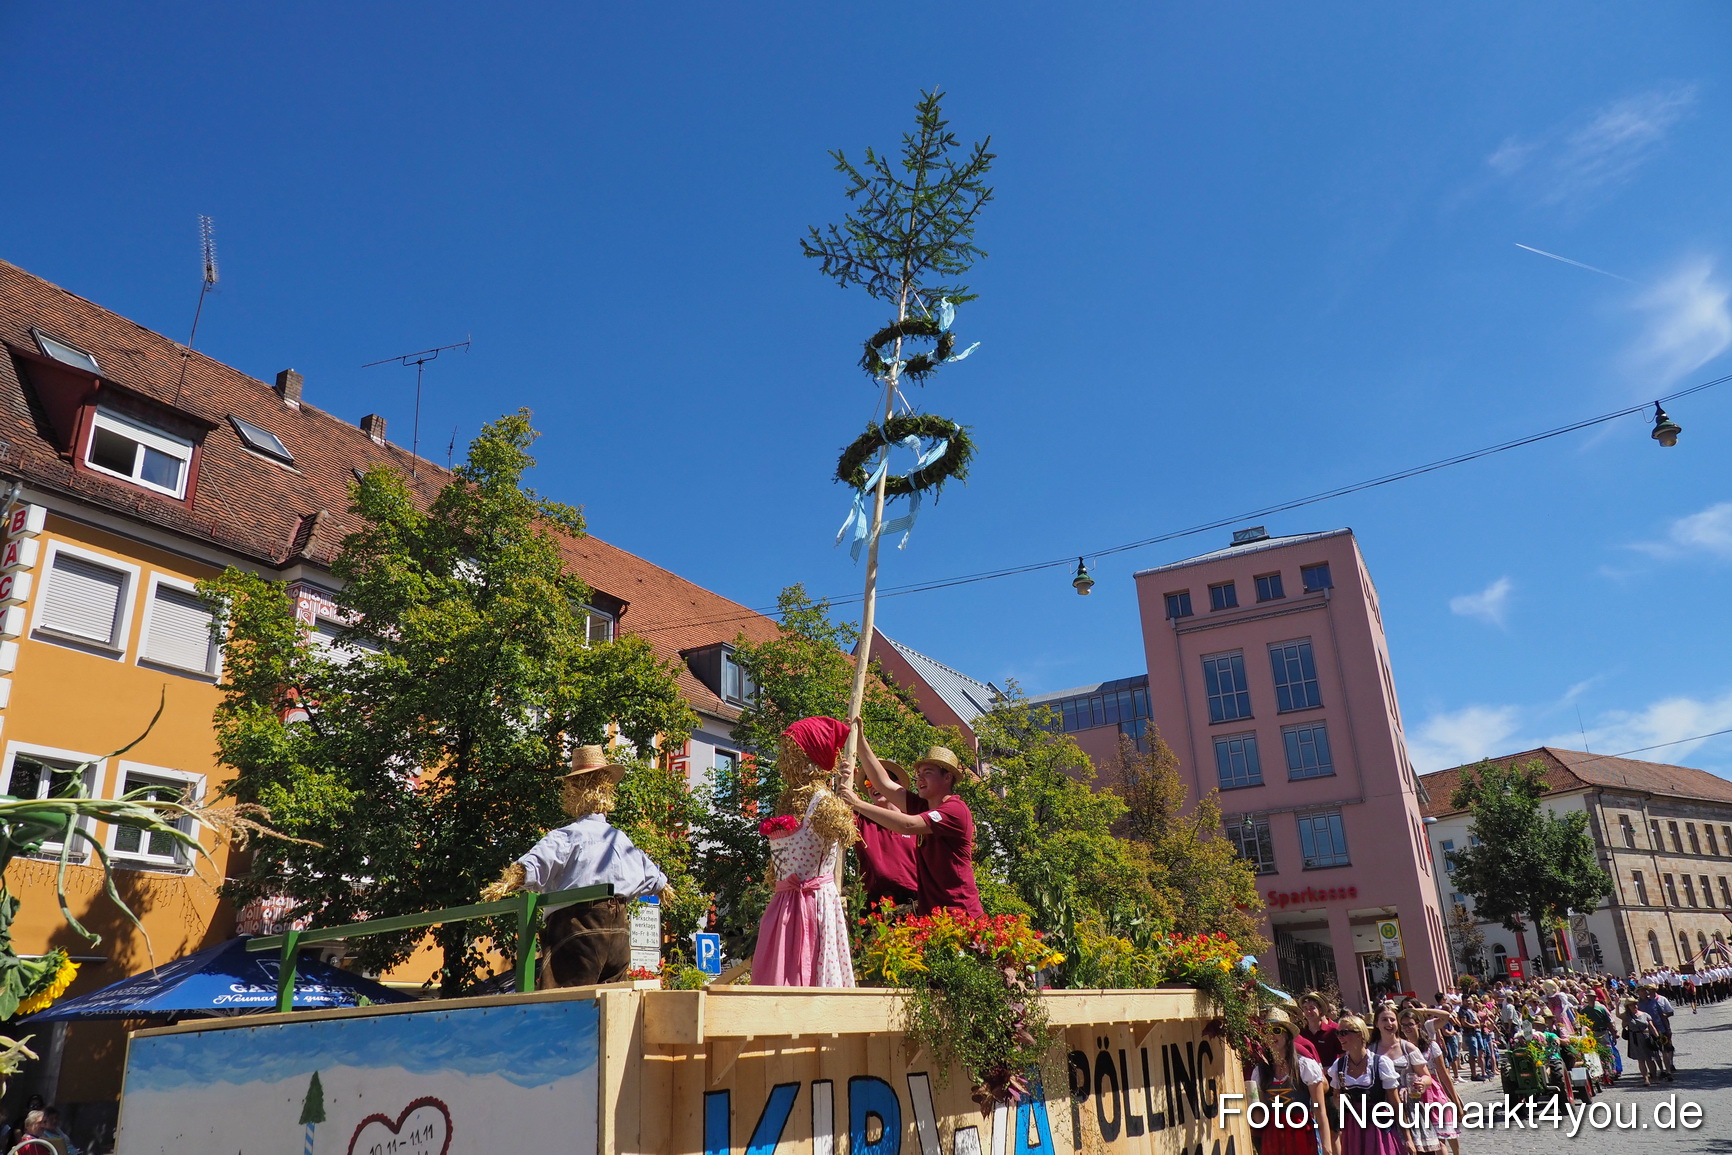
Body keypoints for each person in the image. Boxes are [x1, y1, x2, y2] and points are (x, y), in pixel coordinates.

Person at [482, 744, 668, 987]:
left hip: (578, 926)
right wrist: (665, 889)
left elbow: (534, 865)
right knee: (611, 1005)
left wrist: (508, 880)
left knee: (563, 1003)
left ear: (573, 791)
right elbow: (655, 878)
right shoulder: (621, 839)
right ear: (607, 790)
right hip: (619, 931)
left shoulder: (568, 836)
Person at [750, 717, 860, 987]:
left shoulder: (824, 804)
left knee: (812, 972)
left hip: (813, 903)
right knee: (775, 975)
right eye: (784, 752)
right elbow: (777, 865)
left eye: (792, 752)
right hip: (783, 904)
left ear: (813, 758)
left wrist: (844, 792)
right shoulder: (785, 802)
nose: (783, 760)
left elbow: (847, 833)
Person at [839, 731, 983, 919]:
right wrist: (860, 741)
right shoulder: (923, 806)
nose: (920, 779)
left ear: (947, 777)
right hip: (933, 915)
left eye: (927, 773)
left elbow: (908, 825)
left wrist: (856, 803)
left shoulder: (955, 810)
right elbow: (883, 784)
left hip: (960, 913)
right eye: (919, 775)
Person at [1247, 1008, 1332, 1155]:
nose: (1271, 1036)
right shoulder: (1260, 1071)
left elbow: (1319, 1109)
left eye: (1277, 1031)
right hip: (1272, 1136)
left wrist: (1327, 1146)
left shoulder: (1305, 1066)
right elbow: (1260, 1116)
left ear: (1287, 1035)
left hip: (1301, 1132)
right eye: (1266, 1032)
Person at [1329, 1014, 1404, 1155]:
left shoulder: (1380, 1063)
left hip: (1379, 1125)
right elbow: (1336, 1098)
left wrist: (1407, 1137)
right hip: (1353, 1128)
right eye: (1338, 1033)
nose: (1339, 1037)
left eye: (1344, 1033)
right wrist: (1339, 1102)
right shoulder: (1338, 1066)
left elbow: (1395, 1102)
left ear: (1360, 1035)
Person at [1370, 1002, 1438, 1155]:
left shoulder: (1408, 1048)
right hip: (1383, 1107)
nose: (1389, 1023)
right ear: (1376, 1024)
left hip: (1410, 1107)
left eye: (1392, 1020)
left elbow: (1426, 1076)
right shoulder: (1371, 1050)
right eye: (1385, 1020)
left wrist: (1422, 1083)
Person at [852, 757, 918, 910]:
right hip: (875, 906)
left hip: (914, 904)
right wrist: (845, 780)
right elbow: (841, 810)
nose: (872, 785)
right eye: (868, 782)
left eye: (879, 779)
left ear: (897, 785)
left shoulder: (916, 820)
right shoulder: (862, 819)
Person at [1400, 1008, 1461, 1155]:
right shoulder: (1402, 1047)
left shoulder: (1430, 1045)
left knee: (1440, 1140)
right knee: (1429, 1142)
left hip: (1433, 1093)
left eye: (1410, 1024)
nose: (1407, 1028)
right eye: (1404, 1025)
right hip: (1414, 1095)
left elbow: (1443, 1074)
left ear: (1418, 1025)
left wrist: (1455, 1100)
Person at [1298, 990, 1343, 1070]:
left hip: (1332, 1079)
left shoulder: (1333, 1031)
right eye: (1305, 1008)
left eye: (1312, 1008)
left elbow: (1344, 1056)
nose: (1308, 1011)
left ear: (1320, 1010)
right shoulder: (1301, 1034)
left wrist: (1331, 1069)